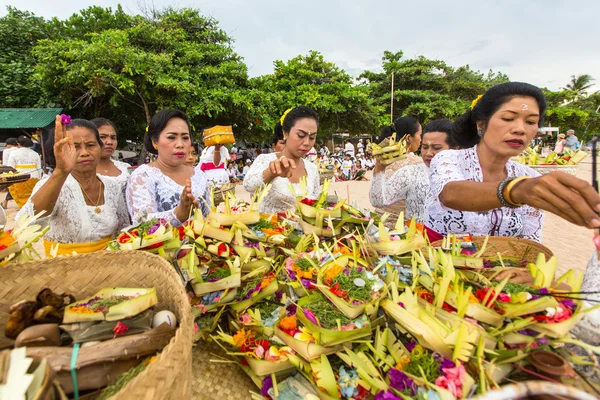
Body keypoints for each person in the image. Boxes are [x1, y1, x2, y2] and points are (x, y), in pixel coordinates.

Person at [425, 82, 600, 243]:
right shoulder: (448, 159)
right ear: (481, 125)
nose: (520, 129)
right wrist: (516, 190)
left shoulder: (530, 176)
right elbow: (451, 194)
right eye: (508, 118)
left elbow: (530, 246)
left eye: (531, 121)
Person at [16, 117, 129, 256]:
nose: (84, 152)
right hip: (63, 271)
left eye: (91, 145)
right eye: (75, 147)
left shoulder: (112, 187)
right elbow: (25, 225)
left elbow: (124, 231)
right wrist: (61, 171)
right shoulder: (52, 185)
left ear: (100, 148)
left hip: (107, 269)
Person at [127, 109, 210, 226]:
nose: (180, 144)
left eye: (185, 138)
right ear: (155, 142)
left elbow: (209, 216)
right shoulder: (142, 176)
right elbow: (141, 223)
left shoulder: (199, 175)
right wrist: (178, 214)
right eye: (171, 137)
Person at [370, 120, 458, 224]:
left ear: (455, 149)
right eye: (424, 147)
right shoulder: (411, 173)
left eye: (436, 148)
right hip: (417, 238)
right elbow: (378, 201)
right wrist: (380, 168)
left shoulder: (468, 174)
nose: (428, 153)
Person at [244, 107, 320, 214]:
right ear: (285, 133)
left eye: (312, 137)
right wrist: (270, 173)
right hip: (270, 229)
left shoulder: (312, 169)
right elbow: (248, 186)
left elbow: (316, 204)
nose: (307, 143)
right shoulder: (265, 160)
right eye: (301, 135)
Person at [91, 118, 130, 190]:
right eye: (102, 137)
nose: (109, 142)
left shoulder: (126, 168)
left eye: (113, 138)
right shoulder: (80, 170)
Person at [7, 136, 43, 208]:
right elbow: (39, 168)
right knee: (31, 195)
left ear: (18, 144)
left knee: (21, 197)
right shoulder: (35, 154)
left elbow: (10, 168)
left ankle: (24, 210)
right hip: (34, 176)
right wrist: (39, 179)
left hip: (20, 177)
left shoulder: (14, 153)